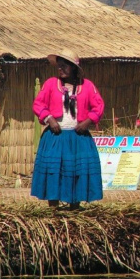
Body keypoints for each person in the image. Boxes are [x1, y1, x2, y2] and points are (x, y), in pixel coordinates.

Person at [31, 48, 104, 210]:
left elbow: (98, 106)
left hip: (78, 138)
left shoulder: (87, 86)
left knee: (75, 171)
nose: (60, 69)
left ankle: (74, 208)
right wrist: (50, 119)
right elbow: (38, 104)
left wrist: (88, 121)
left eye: (64, 66)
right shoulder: (51, 84)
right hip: (55, 136)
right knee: (54, 171)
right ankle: (53, 210)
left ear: (74, 68)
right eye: (59, 66)